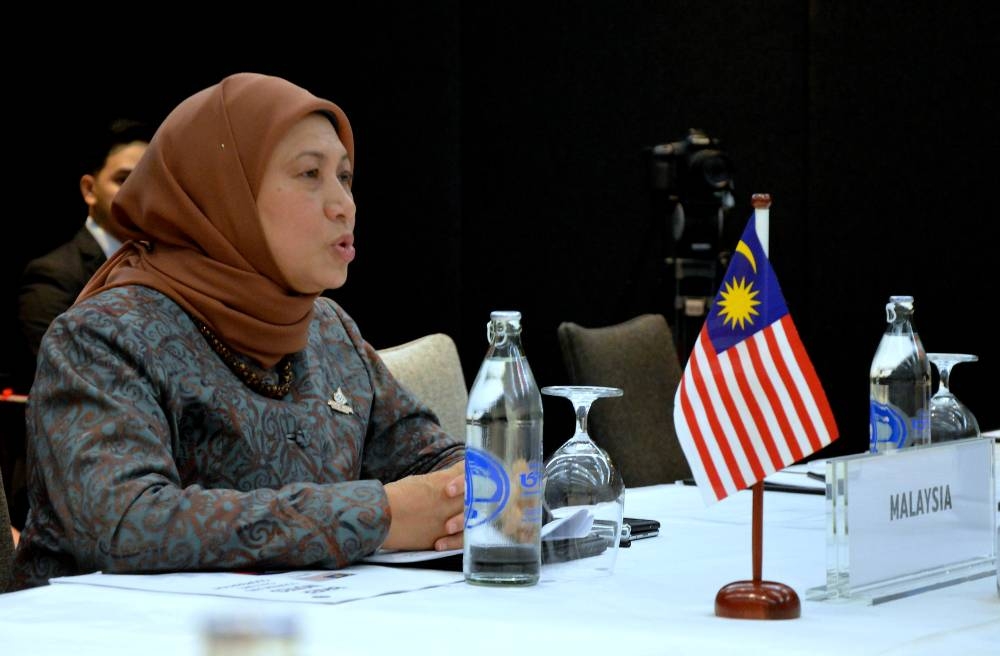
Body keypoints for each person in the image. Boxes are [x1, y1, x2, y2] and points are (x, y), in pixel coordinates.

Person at [11, 73, 465, 590]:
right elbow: (123, 525)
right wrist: (379, 515)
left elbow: (430, 454)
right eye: (310, 174)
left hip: (299, 628)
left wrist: (482, 494)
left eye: (344, 176)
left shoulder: (329, 329)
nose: (344, 205)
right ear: (225, 192)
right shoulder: (102, 336)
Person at [17, 118, 153, 373]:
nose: (138, 193)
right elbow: (61, 372)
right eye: (123, 180)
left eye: (148, 181)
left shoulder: (164, 265)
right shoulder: (55, 274)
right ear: (90, 189)